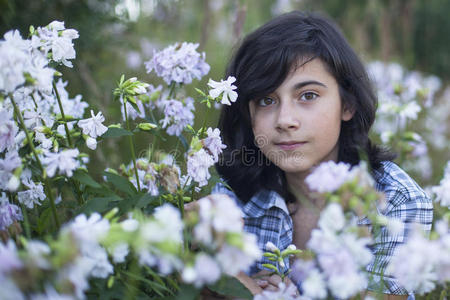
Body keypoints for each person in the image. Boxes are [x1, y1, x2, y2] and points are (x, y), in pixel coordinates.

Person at [212, 11, 433, 299]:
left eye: (308, 96)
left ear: (348, 105)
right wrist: (202, 246)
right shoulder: (236, 192)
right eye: (267, 100)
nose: (285, 120)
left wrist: (240, 284)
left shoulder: (397, 200)